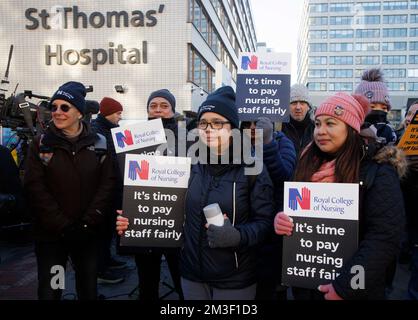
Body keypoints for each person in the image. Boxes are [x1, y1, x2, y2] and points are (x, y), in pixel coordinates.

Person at [118, 86, 275, 300]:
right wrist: (136, 220)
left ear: (233, 127)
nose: (208, 129)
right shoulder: (189, 163)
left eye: (217, 122)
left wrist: (238, 236)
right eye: (203, 123)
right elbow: (166, 206)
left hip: (234, 278)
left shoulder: (253, 168)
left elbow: (265, 223)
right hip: (191, 274)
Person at [274, 92, 406, 300]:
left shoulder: (378, 171)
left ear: (351, 128)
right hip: (306, 288)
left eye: (330, 124)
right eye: (317, 124)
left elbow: (384, 239)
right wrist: (281, 218)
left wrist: (347, 287)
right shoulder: (306, 164)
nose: (321, 131)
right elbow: (289, 211)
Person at [24, 81, 116, 300]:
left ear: (79, 113)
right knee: (52, 290)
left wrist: (88, 222)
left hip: (88, 235)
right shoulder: (41, 144)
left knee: (88, 289)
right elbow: (35, 187)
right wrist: (63, 226)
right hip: (52, 238)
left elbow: (108, 184)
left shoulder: (100, 143)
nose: (57, 112)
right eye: (53, 107)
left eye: (64, 107)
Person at [132, 89, 184, 300]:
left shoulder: (186, 138)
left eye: (164, 106)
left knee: (183, 280)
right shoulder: (135, 138)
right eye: (153, 106)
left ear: (172, 110)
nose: (158, 110)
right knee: (147, 282)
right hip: (144, 217)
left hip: (177, 220)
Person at [241, 118, 296, 299]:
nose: (253, 127)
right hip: (245, 227)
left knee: (270, 286)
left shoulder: (282, 142)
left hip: (273, 229)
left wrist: (267, 143)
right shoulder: (236, 145)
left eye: (258, 123)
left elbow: (285, 176)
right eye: (249, 124)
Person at [91, 97, 126, 284]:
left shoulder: (112, 130)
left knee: (107, 231)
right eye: (118, 113)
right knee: (101, 231)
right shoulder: (97, 132)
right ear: (108, 113)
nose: (120, 117)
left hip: (113, 188)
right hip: (103, 190)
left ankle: (107, 260)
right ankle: (99, 269)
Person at [355, 68, 397, 146]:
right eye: (372, 107)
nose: (379, 111)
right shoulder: (350, 138)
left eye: (384, 108)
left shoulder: (393, 135)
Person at [282, 84, 314, 158]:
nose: (298, 107)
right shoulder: (279, 128)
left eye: (302, 103)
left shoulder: (316, 128)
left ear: (308, 106)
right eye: (294, 103)